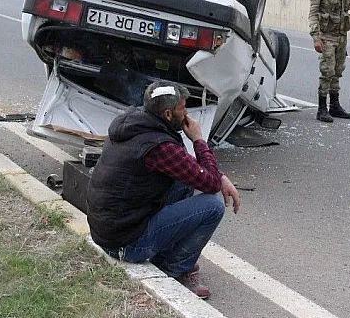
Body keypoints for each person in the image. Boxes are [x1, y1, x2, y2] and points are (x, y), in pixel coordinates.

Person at [86, 80, 241, 299]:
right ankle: (173, 268)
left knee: (185, 180)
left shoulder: (134, 124)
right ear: (168, 114)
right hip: (126, 244)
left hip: (111, 229)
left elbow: (191, 170)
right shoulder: (159, 145)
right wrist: (198, 140)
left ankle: (166, 253)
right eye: (182, 108)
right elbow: (210, 184)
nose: (186, 113)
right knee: (213, 206)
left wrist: (220, 176)